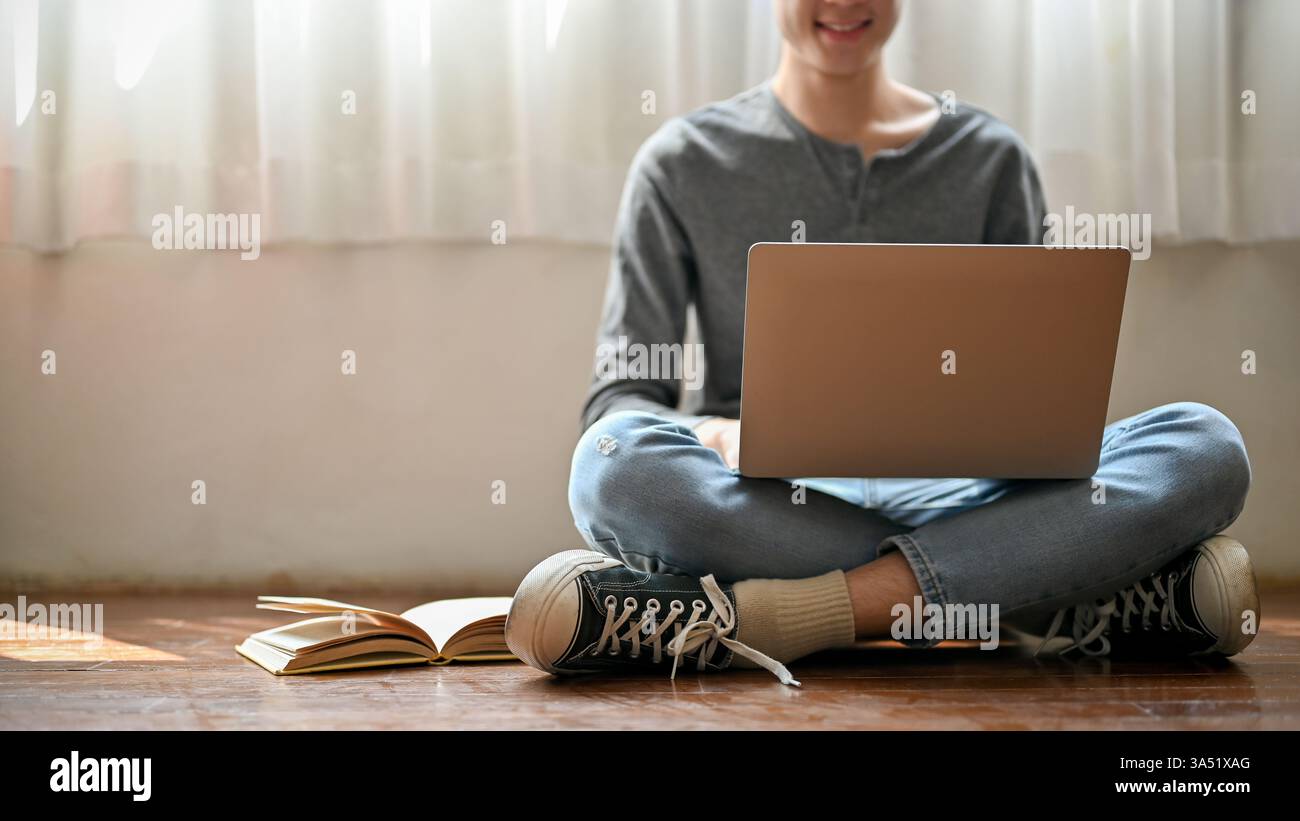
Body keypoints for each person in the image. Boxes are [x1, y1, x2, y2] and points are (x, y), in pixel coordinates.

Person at [504, 0, 1257, 686]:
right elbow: (622, 396)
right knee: (611, 464)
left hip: (969, 491)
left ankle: (798, 614)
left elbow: (1032, 390)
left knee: (1205, 446)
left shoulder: (990, 158)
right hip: (769, 498)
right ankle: (1046, 591)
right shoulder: (680, 162)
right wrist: (713, 430)